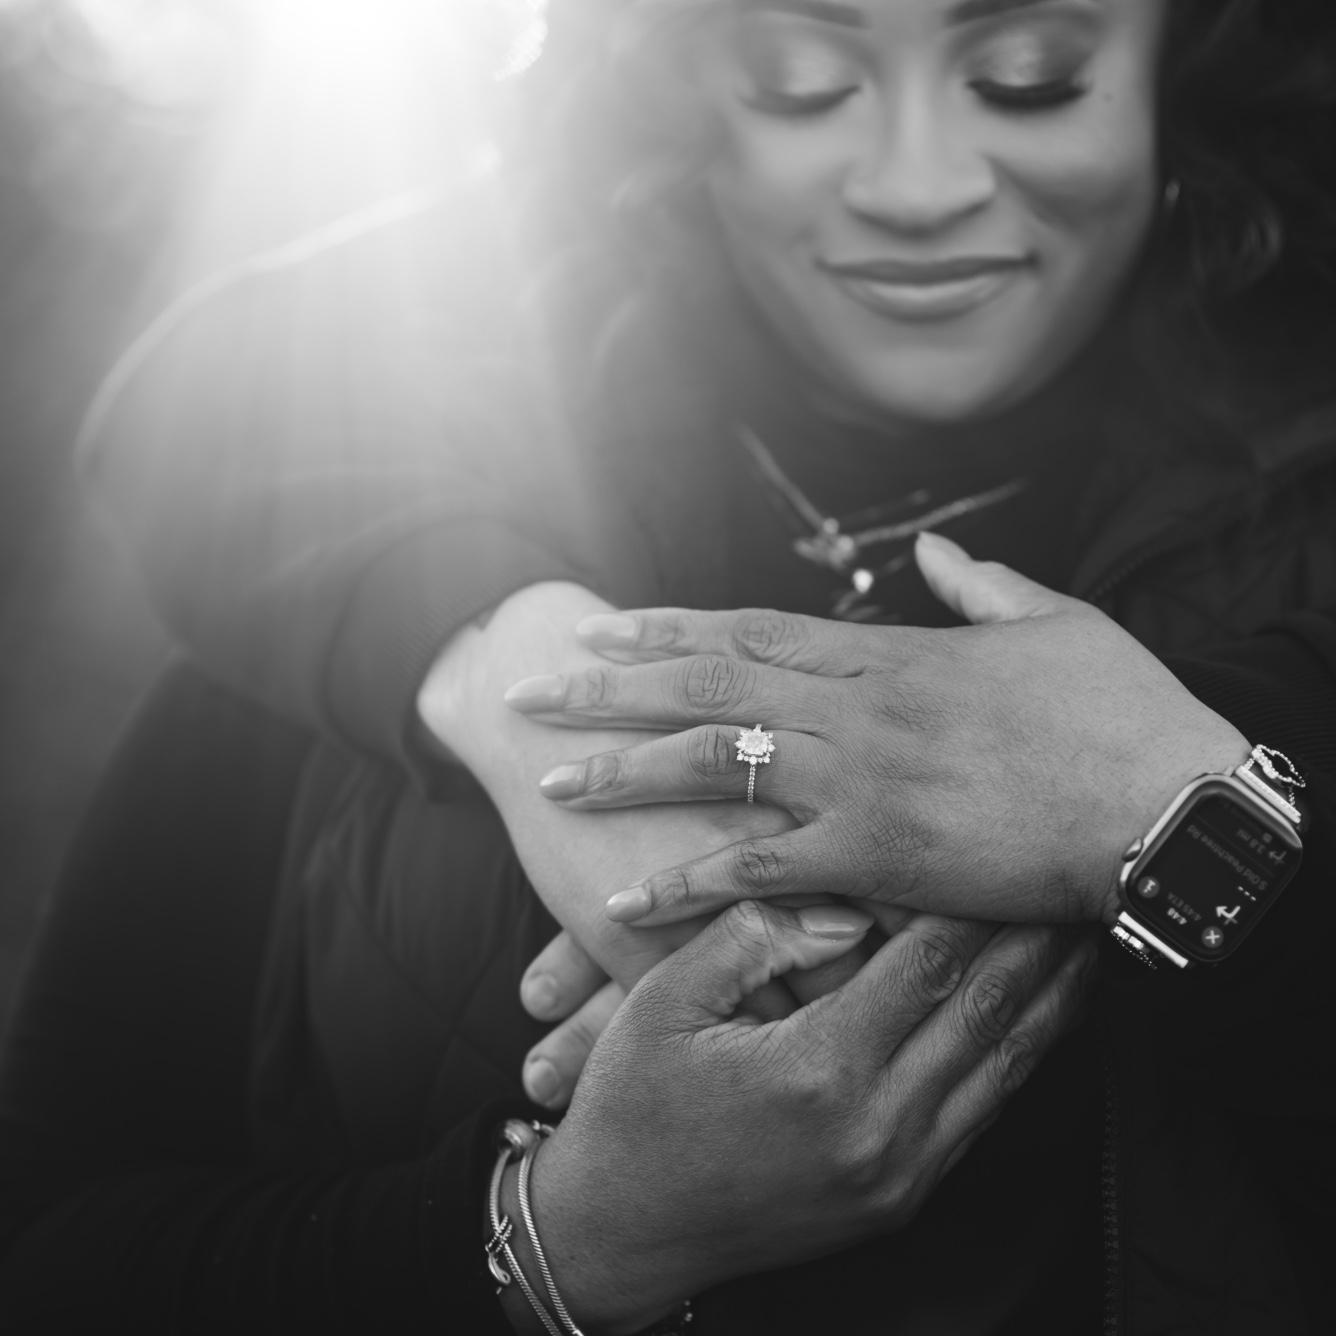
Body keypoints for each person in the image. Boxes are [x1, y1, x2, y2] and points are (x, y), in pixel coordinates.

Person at [5, 0, 1335, 1330]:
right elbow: (53, 1249)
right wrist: (561, 1240)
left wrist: (1194, 809)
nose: (914, 186)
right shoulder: (363, 533)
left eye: (1027, 78)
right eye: (799, 80)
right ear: (667, 89)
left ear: (1183, 72)